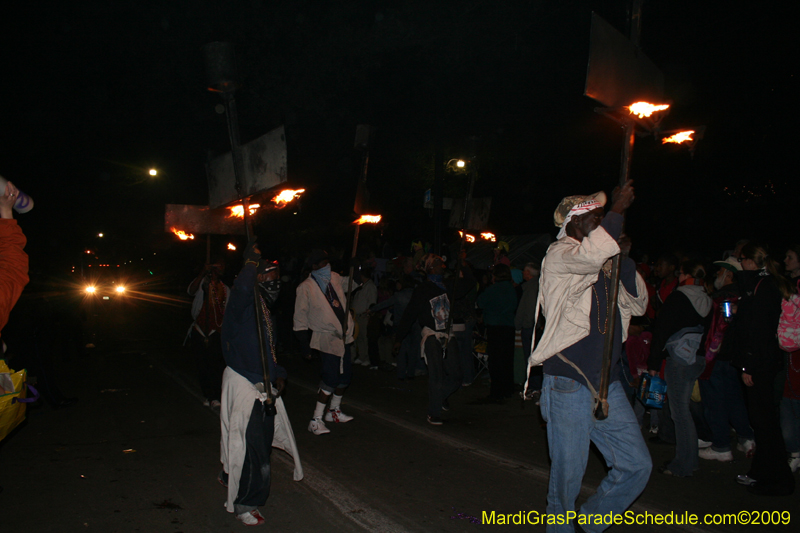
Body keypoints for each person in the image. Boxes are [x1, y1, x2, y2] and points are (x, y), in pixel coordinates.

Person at [525, 181, 650, 532]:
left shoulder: (605, 259)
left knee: (636, 465)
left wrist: (623, 259)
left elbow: (639, 304)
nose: (603, 222)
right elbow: (589, 257)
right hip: (569, 378)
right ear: (575, 222)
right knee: (567, 481)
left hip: (605, 382)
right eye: (596, 217)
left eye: (604, 216)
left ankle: (588, 524)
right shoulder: (560, 255)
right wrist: (617, 211)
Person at [219, 242, 287, 526]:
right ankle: (245, 503)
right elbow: (242, 289)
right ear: (258, 278)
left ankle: (228, 475)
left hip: (263, 387)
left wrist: (279, 373)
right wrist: (250, 263)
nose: (276, 282)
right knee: (253, 450)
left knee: (257, 444)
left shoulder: (265, 312)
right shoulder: (242, 304)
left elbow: (269, 351)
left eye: (278, 277)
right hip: (245, 384)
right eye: (271, 276)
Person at [730, 243, 795, 496]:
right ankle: (761, 472)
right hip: (763, 362)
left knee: (766, 424)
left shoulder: (764, 286)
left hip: (761, 364)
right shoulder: (760, 285)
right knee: (762, 423)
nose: (739, 264)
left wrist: (749, 366)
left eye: (741, 260)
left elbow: (759, 331)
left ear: (750, 261)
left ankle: (779, 480)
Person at [647, 260, 712, 477]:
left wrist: (654, 363)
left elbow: (662, 330)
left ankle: (683, 464)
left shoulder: (678, 297)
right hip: (698, 357)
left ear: (685, 276)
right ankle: (689, 460)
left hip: (679, 359)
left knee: (680, 413)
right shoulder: (707, 298)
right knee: (685, 411)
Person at [394, 253, 475, 425]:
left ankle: (440, 396)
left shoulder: (448, 286)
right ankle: (434, 412)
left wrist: (463, 264)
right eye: (437, 263)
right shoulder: (422, 289)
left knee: (456, 375)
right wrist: (399, 338)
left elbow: (469, 283)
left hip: (448, 334)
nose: (441, 265)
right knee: (436, 375)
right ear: (430, 268)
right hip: (431, 334)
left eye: (442, 263)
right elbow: (409, 314)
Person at [697, 256, 755, 462]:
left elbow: (716, 329)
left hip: (718, 357)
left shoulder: (723, 296)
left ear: (729, 274)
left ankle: (721, 446)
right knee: (734, 398)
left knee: (715, 402)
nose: (717, 275)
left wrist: (707, 355)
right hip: (734, 357)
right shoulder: (745, 295)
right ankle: (746, 437)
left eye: (721, 271)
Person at [294, 249, 356, 435]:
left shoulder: (335, 278)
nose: (327, 266)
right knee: (330, 379)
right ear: (314, 266)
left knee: (345, 378)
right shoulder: (305, 287)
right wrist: (304, 346)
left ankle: (333, 411)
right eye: (322, 263)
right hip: (326, 338)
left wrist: (356, 267)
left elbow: (353, 283)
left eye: (328, 262)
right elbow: (299, 318)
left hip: (344, 337)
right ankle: (316, 419)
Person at [186, 257, 229, 408]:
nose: (221, 269)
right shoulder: (202, 284)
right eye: (218, 266)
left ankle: (215, 395)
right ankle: (208, 394)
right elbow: (190, 291)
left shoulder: (225, 289)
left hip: (215, 331)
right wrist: (202, 273)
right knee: (202, 366)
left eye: (223, 266)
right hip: (200, 330)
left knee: (216, 366)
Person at [476, 263, 518, 401]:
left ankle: (497, 392)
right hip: (508, 327)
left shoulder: (493, 289)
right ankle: (507, 389)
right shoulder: (511, 289)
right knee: (507, 359)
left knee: (495, 361)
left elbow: (480, 302)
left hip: (495, 327)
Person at [516, 262, 542, 401]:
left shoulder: (531, 288)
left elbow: (530, 308)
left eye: (524, 271)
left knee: (531, 356)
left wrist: (526, 324)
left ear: (529, 273)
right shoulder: (531, 287)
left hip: (530, 328)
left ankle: (534, 387)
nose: (522, 273)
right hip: (531, 327)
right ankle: (533, 385)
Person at [351, 267, 376, 367]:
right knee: (359, 337)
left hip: (364, 316)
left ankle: (366, 357)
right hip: (357, 316)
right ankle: (361, 356)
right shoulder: (362, 286)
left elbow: (372, 301)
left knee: (365, 338)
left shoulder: (370, 286)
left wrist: (368, 314)